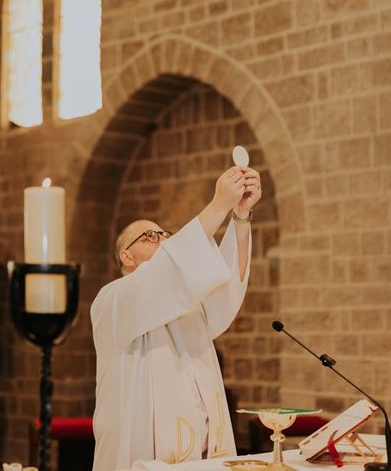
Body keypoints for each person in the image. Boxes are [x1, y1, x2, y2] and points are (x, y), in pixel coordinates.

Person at [90, 166, 262, 471]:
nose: (163, 240)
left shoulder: (187, 302)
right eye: (149, 236)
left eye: (165, 234)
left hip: (205, 455)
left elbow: (228, 286)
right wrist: (218, 204)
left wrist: (240, 217)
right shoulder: (112, 300)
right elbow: (167, 268)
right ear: (125, 257)